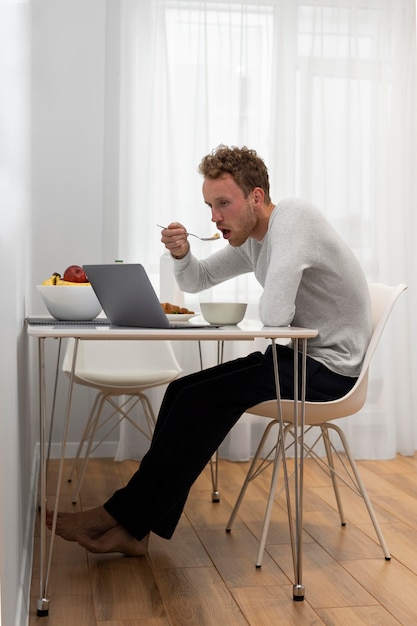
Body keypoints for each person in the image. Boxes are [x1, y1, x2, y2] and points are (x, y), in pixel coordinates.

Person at [47, 145, 372, 555]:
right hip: (301, 358)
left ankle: (122, 517)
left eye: (223, 204)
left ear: (256, 197)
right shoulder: (255, 238)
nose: (215, 217)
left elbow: (273, 316)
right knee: (182, 390)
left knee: (200, 399)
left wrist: (267, 266)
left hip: (333, 371)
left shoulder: (294, 219)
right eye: (210, 206)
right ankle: (135, 529)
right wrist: (181, 253)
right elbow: (198, 280)